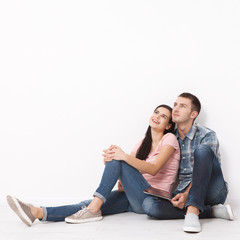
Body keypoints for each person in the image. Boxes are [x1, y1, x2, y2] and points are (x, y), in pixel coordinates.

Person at [7, 104, 180, 226]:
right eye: (156, 112)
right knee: (87, 204)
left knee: (118, 158)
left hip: (151, 197)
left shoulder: (169, 139)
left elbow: (154, 168)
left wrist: (120, 158)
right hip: (131, 197)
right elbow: (127, 175)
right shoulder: (142, 143)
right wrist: (115, 169)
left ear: (168, 125)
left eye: (163, 116)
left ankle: (94, 209)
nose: (157, 116)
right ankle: (38, 212)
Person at [142, 93, 234, 233]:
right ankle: (211, 212)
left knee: (202, 150)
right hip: (182, 190)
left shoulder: (207, 135)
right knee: (149, 205)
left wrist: (187, 195)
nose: (176, 109)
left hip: (212, 190)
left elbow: (207, 173)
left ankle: (192, 210)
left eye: (182, 106)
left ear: (193, 114)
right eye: (175, 105)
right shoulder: (170, 139)